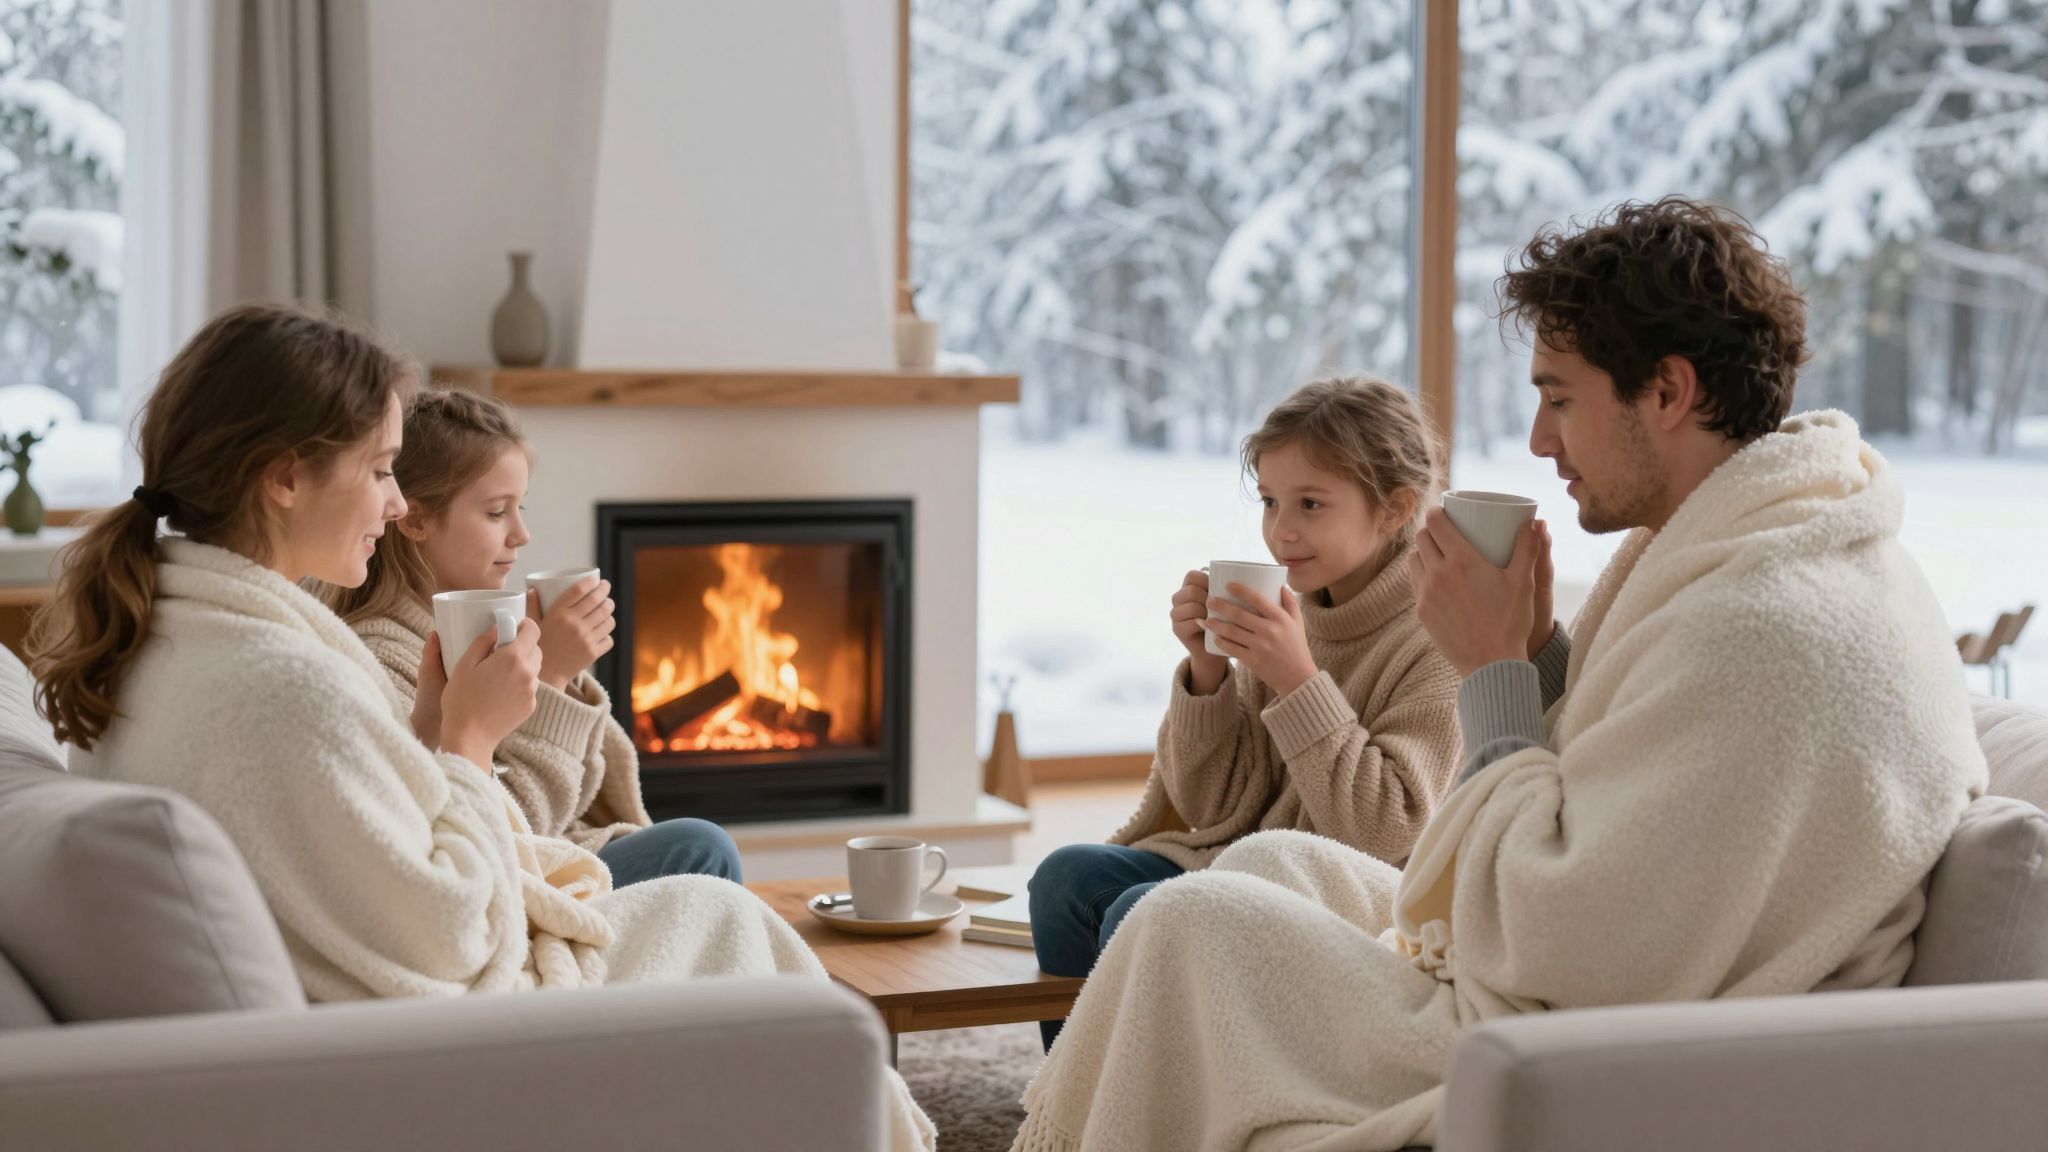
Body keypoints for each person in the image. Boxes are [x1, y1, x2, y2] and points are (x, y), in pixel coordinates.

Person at [1004, 197, 1985, 1152]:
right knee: (1258, 866)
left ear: (1668, 390)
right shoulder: (1755, 547)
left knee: (1191, 924)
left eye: (1557, 397)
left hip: (1586, 1037)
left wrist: (1491, 668)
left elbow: (1556, 935)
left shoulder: (1762, 626)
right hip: (1570, 965)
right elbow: (1627, 755)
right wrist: (1540, 649)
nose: (1536, 440)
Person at [30, 303, 933, 1150]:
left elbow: (366, 845)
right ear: (283, 476)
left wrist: (429, 729)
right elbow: (453, 944)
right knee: (719, 912)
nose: (393, 505)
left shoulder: (181, 641)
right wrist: (467, 741)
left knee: (708, 900)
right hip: (435, 1054)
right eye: (382, 470)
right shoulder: (282, 688)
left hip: (370, 1021)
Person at [1026, 375, 1461, 1050]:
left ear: (1395, 509)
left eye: (1311, 504)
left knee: (1144, 912)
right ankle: (1077, 1101)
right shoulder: (1296, 611)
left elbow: (1384, 830)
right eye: (1269, 501)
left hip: (1350, 898)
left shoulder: (1439, 637)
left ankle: (1151, 1112)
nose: (1281, 532)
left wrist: (1296, 679)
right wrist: (1207, 672)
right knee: (1068, 878)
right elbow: (1211, 807)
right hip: (1245, 860)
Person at [325, 387, 740, 887]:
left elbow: (580, 799)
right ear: (415, 519)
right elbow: (511, 827)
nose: (521, 535)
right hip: (506, 878)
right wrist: (554, 679)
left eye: (522, 508)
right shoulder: (383, 657)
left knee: (699, 850)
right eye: (497, 512)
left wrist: (554, 675)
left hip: (540, 857)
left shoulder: (481, 634)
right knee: (700, 848)